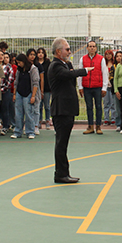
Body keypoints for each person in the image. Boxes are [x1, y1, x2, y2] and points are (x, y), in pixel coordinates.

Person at [47, 37, 91, 183]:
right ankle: (60, 174)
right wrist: (83, 71)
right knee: (61, 143)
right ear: (58, 51)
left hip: (66, 109)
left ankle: (63, 172)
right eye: (67, 49)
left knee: (63, 142)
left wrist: (71, 67)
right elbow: (69, 75)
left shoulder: (64, 64)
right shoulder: (55, 66)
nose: (69, 51)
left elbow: (70, 77)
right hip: (61, 110)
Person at [78, 40, 109, 135]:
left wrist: (104, 88)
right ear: (87, 48)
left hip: (98, 87)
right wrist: (80, 87)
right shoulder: (82, 59)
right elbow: (80, 74)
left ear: (96, 48)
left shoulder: (101, 59)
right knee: (89, 107)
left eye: (93, 46)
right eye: (90, 46)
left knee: (99, 106)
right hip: (87, 87)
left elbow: (105, 73)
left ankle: (98, 126)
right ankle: (90, 126)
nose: (92, 48)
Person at [12, 53, 40, 139]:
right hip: (19, 93)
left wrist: (33, 96)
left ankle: (30, 131)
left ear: (24, 61)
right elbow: (16, 82)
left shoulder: (33, 69)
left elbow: (35, 83)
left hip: (29, 93)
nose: (18, 64)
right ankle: (17, 131)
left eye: (19, 62)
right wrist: (14, 94)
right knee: (18, 113)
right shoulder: (19, 70)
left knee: (29, 113)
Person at [27, 48, 44, 135]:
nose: (32, 56)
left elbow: (41, 79)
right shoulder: (25, 65)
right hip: (27, 90)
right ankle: (29, 126)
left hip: (36, 90)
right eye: (31, 54)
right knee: (28, 110)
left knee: (36, 109)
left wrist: (41, 91)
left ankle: (36, 126)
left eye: (34, 54)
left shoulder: (38, 66)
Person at [37, 47, 52, 130]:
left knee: (47, 105)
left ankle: (47, 121)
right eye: (39, 52)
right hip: (37, 87)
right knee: (39, 106)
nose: (40, 54)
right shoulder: (35, 63)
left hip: (46, 87)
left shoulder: (48, 63)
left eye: (42, 52)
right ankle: (39, 121)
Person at [1, 52, 15, 135]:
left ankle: (6, 126)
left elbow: (10, 80)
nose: (5, 58)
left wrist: (3, 89)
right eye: (3, 57)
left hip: (6, 91)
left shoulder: (9, 67)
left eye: (6, 57)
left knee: (6, 109)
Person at [102, 49, 117, 127]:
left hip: (112, 86)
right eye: (107, 54)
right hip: (105, 86)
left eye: (110, 54)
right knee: (106, 103)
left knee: (113, 103)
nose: (108, 56)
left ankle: (113, 119)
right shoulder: (103, 64)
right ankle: (106, 119)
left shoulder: (115, 65)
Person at [113, 50, 122, 131]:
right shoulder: (114, 67)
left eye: (120, 56)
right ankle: (118, 124)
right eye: (117, 56)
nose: (119, 57)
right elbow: (113, 78)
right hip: (116, 89)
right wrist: (115, 89)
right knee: (118, 108)